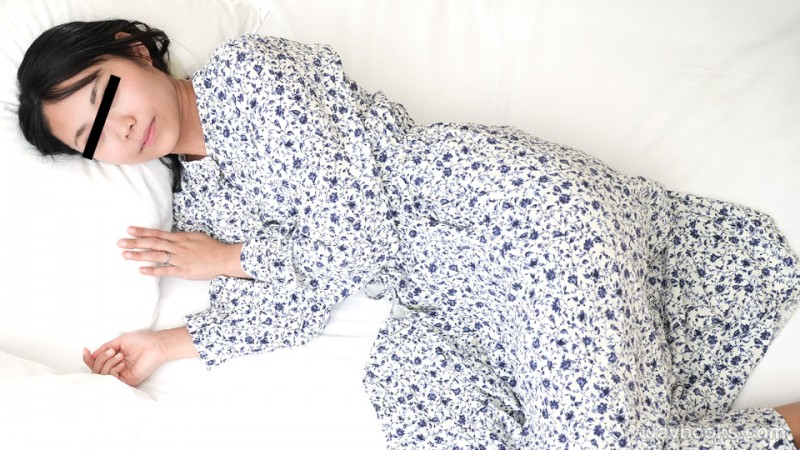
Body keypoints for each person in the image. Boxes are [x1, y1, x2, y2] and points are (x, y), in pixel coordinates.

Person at [17, 19, 800, 449]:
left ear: (134, 52)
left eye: (106, 93)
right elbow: (295, 303)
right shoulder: (205, 206)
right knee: (438, 408)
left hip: (506, 215)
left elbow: (354, 231)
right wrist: (163, 344)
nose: (119, 127)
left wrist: (233, 259)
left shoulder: (252, 76)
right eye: (92, 137)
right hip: (451, 303)